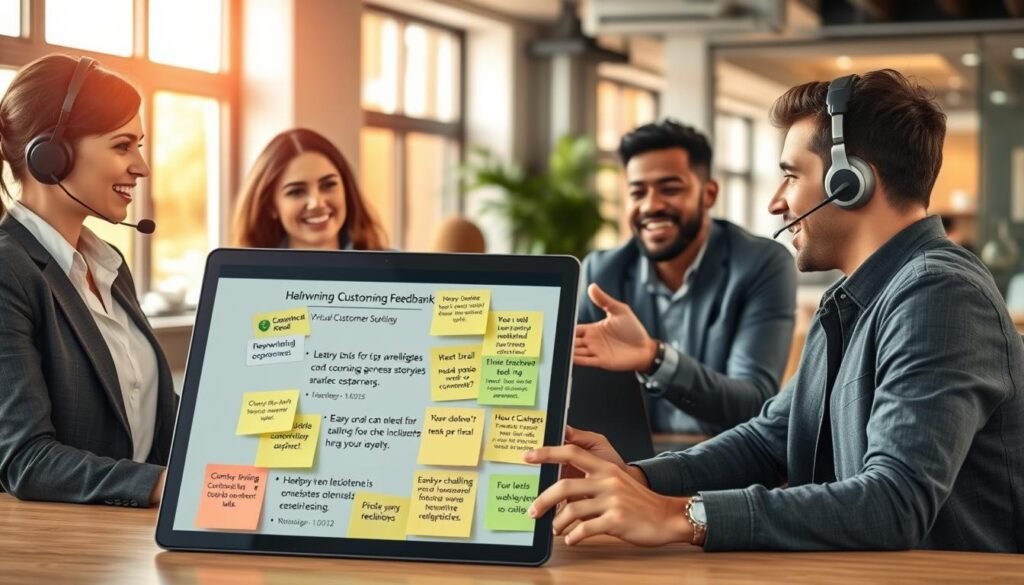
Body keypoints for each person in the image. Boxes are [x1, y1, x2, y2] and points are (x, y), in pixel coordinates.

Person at [528, 70, 1024, 552]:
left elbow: (894, 502)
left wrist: (677, 515)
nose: (775, 202)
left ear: (850, 182)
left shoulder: (938, 294)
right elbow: (770, 440)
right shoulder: (856, 298)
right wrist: (634, 478)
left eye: (790, 176)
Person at [0, 54, 178, 506]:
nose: (141, 167)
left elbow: (157, 419)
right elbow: (27, 459)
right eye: (123, 146)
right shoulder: (9, 271)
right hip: (61, 556)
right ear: (50, 156)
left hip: (132, 545)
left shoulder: (109, 265)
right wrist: (168, 486)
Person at [575, 120, 796, 434]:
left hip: (723, 467)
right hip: (631, 463)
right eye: (638, 192)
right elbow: (580, 392)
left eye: (670, 189)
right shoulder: (602, 272)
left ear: (708, 194)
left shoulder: (761, 265)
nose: (651, 205)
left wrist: (655, 359)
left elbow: (752, 404)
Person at [232, 128, 387, 250]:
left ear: (346, 188)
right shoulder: (248, 278)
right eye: (296, 192)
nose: (316, 203)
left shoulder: (396, 271)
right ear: (271, 205)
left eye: (328, 185)